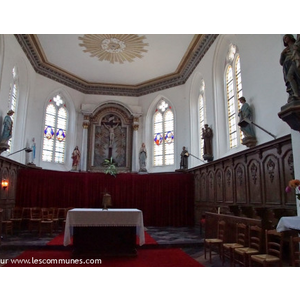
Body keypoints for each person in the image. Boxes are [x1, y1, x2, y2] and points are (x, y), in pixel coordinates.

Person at [280, 34, 300, 101]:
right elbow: (281, 62)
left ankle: (296, 94)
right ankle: (294, 94)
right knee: (289, 78)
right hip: (287, 67)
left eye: (286, 37)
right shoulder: (286, 50)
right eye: (284, 38)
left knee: (290, 76)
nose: (285, 39)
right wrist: (282, 54)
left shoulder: (296, 44)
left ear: (290, 37)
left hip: (294, 62)